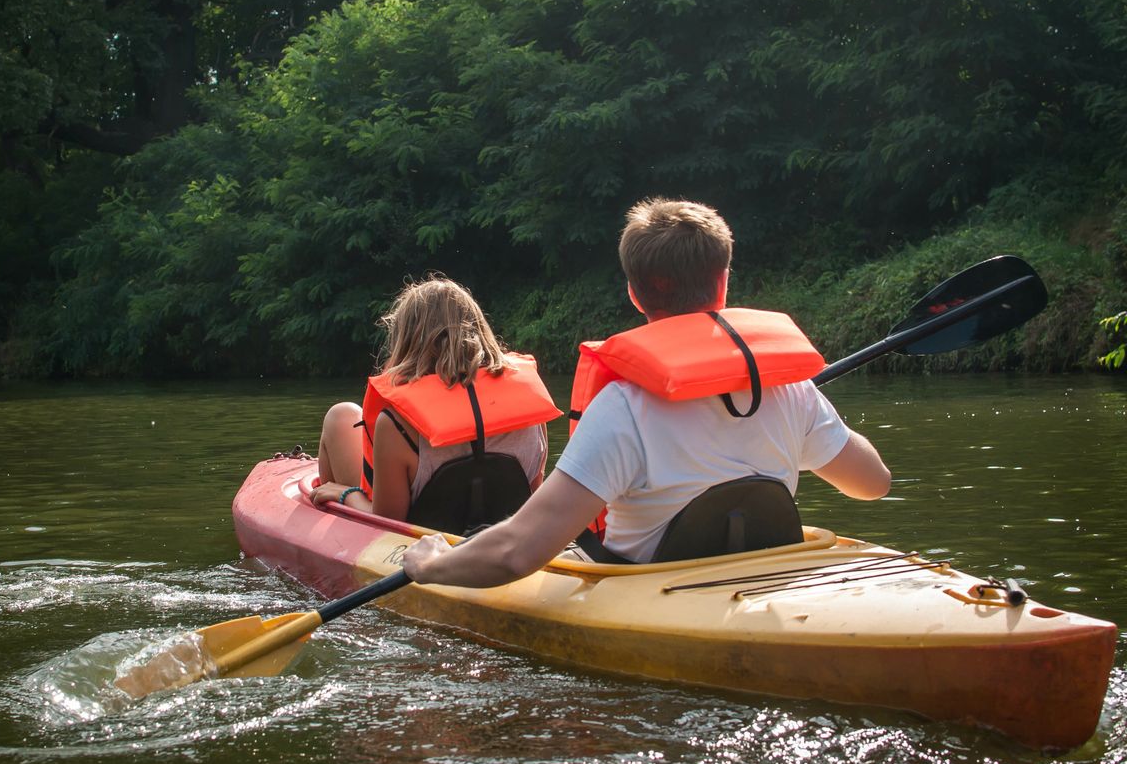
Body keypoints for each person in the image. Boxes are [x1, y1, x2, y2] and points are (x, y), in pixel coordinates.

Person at [403, 198, 890, 586]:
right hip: (759, 585)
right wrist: (814, 411)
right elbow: (873, 483)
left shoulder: (623, 407)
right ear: (723, 284)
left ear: (635, 294)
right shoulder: (790, 389)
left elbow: (516, 553)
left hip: (651, 589)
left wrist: (431, 566)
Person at [310, 275, 559, 528]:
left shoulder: (397, 423)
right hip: (502, 544)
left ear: (406, 340)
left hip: (420, 549)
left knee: (340, 416)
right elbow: (531, 504)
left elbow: (386, 524)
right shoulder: (531, 411)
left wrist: (344, 493)